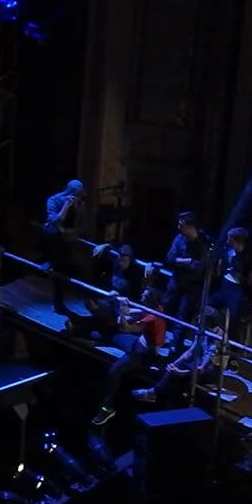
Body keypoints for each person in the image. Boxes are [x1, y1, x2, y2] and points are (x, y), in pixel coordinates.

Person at [90, 290, 171, 427]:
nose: (141, 296)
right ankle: (86, 332)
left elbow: (126, 328)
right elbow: (133, 312)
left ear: (150, 301)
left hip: (143, 354)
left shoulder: (151, 318)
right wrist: (121, 302)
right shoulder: (155, 308)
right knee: (104, 335)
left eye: (144, 296)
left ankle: (107, 408)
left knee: (113, 372)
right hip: (137, 344)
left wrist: (121, 311)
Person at [41, 179, 86, 315]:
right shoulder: (53, 200)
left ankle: (58, 302)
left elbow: (79, 225)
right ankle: (48, 261)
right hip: (53, 237)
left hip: (66, 239)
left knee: (62, 271)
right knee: (57, 268)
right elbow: (55, 221)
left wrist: (79, 209)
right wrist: (66, 206)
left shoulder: (78, 203)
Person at [163, 213, 211, 325]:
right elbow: (170, 259)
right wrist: (188, 261)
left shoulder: (204, 243)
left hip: (192, 287)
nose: (178, 227)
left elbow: (200, 267)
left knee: (183, 317)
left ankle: (176, 342)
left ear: (190, 227)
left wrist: (180, 262)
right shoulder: (179, 239)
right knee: (165, 307)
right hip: (176, 281)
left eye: (181, 225)